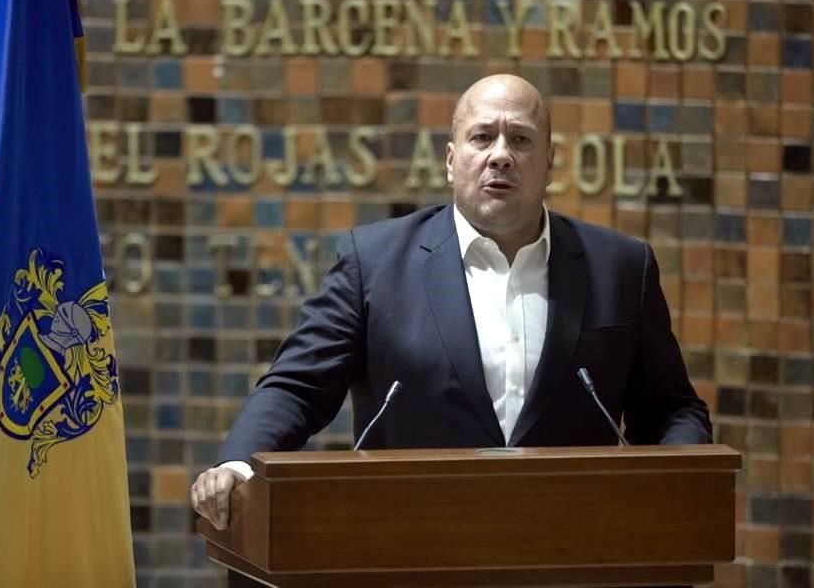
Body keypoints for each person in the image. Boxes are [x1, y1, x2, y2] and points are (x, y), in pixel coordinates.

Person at [191, 74, 712, 536]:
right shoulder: (373, 262)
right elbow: (298, 387)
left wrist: (682, 480)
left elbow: (671, 409)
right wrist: (238, 466)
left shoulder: (621, 267)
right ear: (450, 159)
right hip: (410, 545)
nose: (500, 154)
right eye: (482, 137)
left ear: (550, 162)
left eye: (522, 139)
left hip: (575, 546)